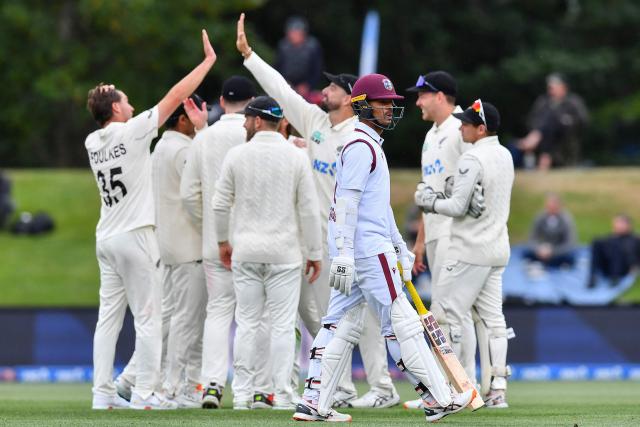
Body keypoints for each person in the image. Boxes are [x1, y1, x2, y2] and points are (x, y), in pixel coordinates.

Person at [237, 13, 400, 409]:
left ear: (348, 97)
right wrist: (249, 56)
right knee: (320, 317)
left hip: (354, 239)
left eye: (331, 87)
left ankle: (382, 388)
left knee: (366, 318)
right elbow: (280, 89)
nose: (323, 90)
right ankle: (340, 387)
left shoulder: (358, 137)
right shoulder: (314, 121)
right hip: (319, 239)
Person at [293, 73, 474, 423]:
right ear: (362, 105)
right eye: (382, 103)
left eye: (392, 103)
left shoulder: (367, 143)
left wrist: (399, 248)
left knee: (337, 326)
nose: (390, 109)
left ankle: (314, 402)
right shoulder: (361, 146)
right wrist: (345, 252)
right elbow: (346, 202)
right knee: (402, 323)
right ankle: (438, 397)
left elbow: (378, 208)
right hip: (366, 253)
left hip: (367, 249)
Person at [86, 29, 216, 410]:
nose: (130, 104)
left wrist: (101, 95)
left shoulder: (92, 142)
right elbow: (176, 95)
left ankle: (102, 394)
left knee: (107, 320)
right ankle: (145, 393)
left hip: (106, 238)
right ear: (116, 110)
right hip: (136, 235)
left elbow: (102, 117)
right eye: (124, 101)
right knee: (148, 317)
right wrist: (207, 62)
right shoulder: (134, 131)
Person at [213, 96, 323, 409]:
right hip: (285, 253)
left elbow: (220, 204)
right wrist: (314, 252)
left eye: (248, 118)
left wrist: (222, 242)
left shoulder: (237, 155)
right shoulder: (296, 157)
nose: (245, 123)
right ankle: (282, 394)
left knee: (247, 323)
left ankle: (244, 395)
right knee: (282, 326)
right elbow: (309, 210)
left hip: (247, 251)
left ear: (259, 121)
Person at [180, 76, 273, 410]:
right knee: (256, 315)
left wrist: (209, 224)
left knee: (218, 313)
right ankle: (258, 390)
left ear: (222, 100)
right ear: (253, 104)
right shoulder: (260, 134)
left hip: (214, 241)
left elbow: (188, 194)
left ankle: (213, 386)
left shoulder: (204, 138)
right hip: (253, 238)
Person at [415, 99, 514, 408]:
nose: (461, 127)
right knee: (493, 320)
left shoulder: (472, 158)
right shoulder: (506, 155)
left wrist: (428, 201)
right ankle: (497, 388)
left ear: (481, 129)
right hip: (498, 247)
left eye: (467, 124)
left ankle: (458, 389)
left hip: (470, 248)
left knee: (447, 315)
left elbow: (457, 207)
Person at [403, 71, 477, 410]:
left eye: (423, 95)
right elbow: (426, 194)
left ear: (442, 96)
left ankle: (462, 389)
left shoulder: (461, 130)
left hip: (458, 233)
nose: (417, 101)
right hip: (435, 234)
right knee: (449, 313)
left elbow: (480, 177)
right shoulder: (432, 135)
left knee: (448, 312)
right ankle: (461, 388)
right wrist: (419, 242)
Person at [151, 94, 207, 408]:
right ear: (183, 119)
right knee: (187, 322)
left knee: (172, 319)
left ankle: (169, 384)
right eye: (196, 114)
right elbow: (193, 196)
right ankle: (173, 388)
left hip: (166, 246)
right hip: (189, 247)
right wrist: (211, 228)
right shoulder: (184, 150)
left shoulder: (159, 148)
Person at [514, 73, 588, 170]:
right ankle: (538, 148)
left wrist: (564, 121)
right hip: (542, 138)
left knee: (551, 124)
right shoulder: (542, 101)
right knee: (513, 145)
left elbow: (583, 121)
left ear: (563, 87)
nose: (550, 90)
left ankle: (535, 144)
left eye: (553, 87)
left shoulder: (573, 102)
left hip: (564, 138)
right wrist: (539, 130)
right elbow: (531, 120)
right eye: (549, 87)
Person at [523, 193, 577, 269]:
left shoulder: (566, 220)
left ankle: (546, 263)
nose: (551, 209)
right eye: (549, 206)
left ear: (559, 206)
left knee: (570, 257)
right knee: (526, 253)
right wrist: (538, 249)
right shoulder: (540, 217)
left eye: (554, 206)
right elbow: (531, 238)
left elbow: (570, 243)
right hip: (541, 249)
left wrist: (553, 251)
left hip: (558, 251)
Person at [275, 16, 323, 101]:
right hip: (287, 85)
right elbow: (277, 68)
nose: (294, 35)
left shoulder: (312, 46)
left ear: (303, 34)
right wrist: (284, 83)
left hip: (306, 87)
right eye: (292, 32)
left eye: (297, 32)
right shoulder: (283, 46)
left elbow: (317, 70)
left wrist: (308, 85)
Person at [588, 214, 640, 288]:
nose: (618, 226)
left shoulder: (635, 239)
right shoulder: (611, 237)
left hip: (623, 268)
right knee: (597, 241)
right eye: (617, 223)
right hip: (608, 266)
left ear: (628, 225)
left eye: (621, 224)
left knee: (616, 246)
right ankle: (593, 276)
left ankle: (614, 278)